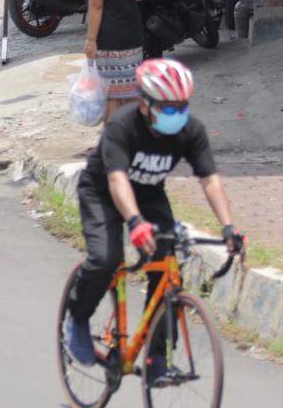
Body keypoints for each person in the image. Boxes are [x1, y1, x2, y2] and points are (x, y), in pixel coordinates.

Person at [64, 59, 242, 373]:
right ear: (145, 104)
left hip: (149, 196)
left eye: (181, 106)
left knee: (167, 267)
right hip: (103, 194)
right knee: (106, 259)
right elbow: (117, 179)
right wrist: (134, 222)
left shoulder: (190, 131)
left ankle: (157, 355)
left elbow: (210, 180)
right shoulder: (122, 126)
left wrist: (228, 227)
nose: (176, 114)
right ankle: (77, 317)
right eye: (167, 107)